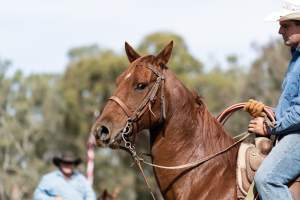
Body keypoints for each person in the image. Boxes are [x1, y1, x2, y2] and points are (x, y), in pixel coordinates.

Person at [244, 0, 300, 199]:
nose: (279, 31)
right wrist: (267, 111)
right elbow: (293, 106)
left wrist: (269, 128)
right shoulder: (296, 60)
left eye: (285, 26)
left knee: (267, 179)